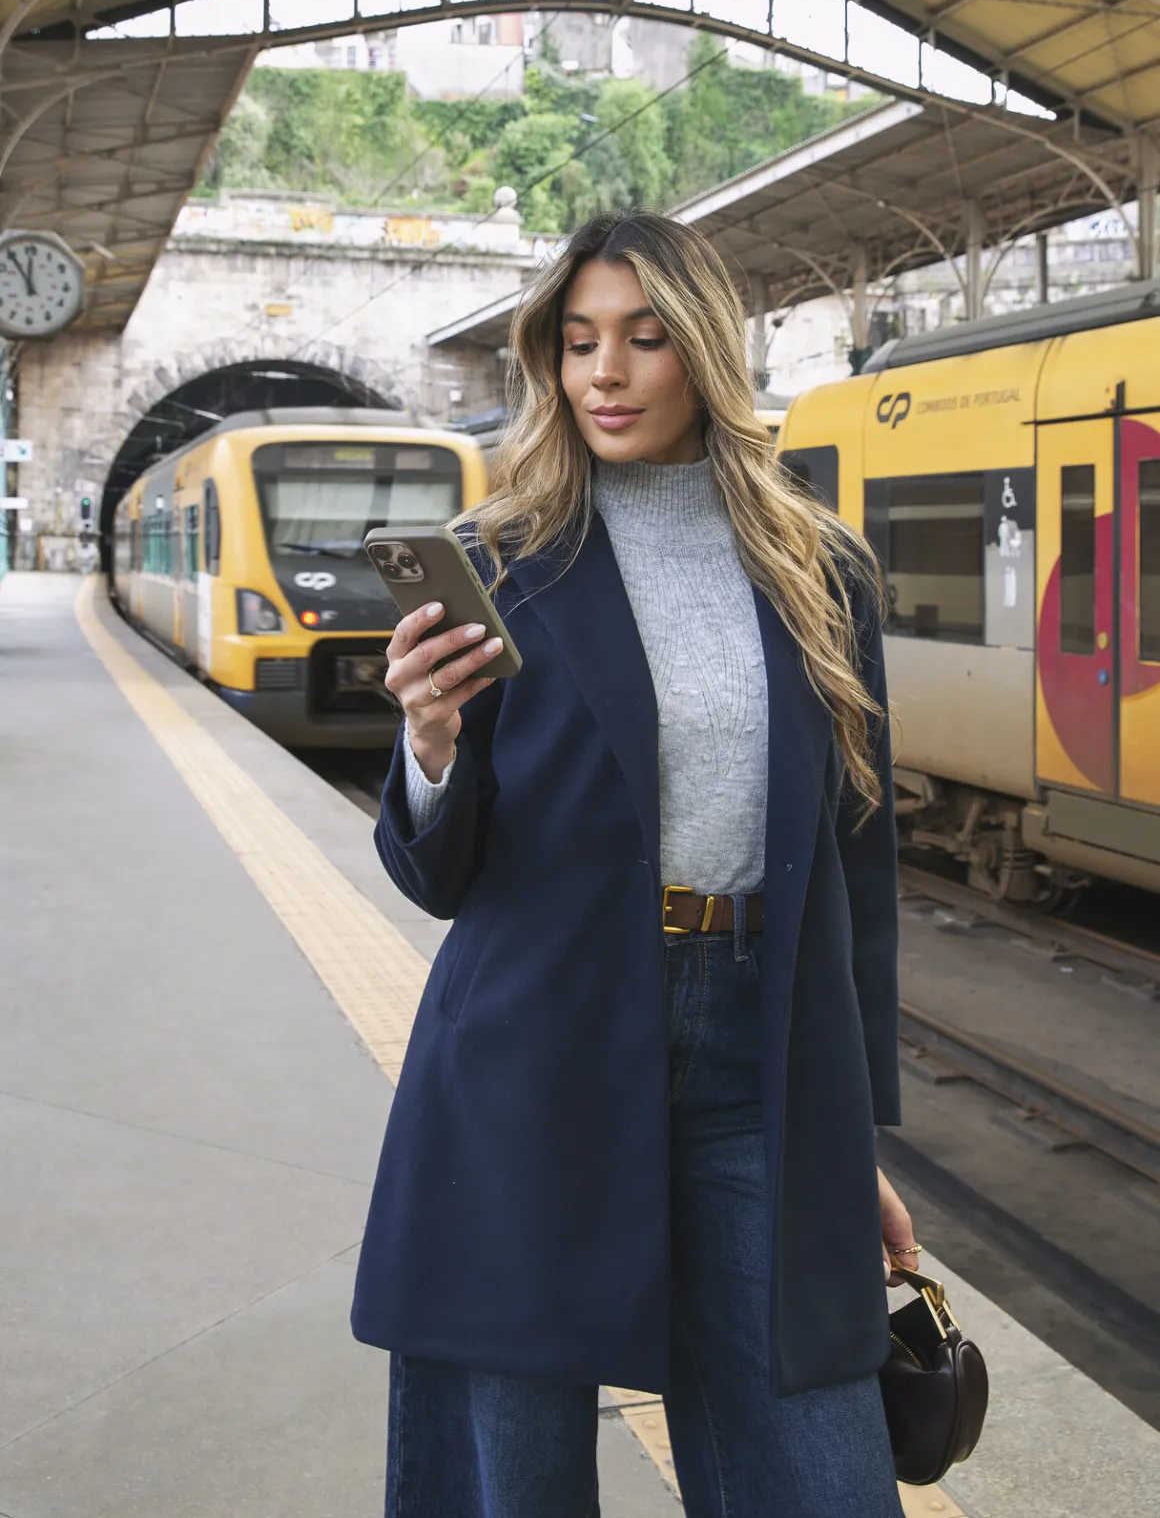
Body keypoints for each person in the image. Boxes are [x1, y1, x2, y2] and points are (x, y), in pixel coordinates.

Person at [352, 210, 919, 1518]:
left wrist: (855, 1140)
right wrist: (429, 738)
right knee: (516, 1479)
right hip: (533, 1053)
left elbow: (857, 870)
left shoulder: (818, 568)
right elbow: (440, 875)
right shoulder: (501, 558)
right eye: (580, 340)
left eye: (645, 338)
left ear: (704, 351)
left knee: (824, 1479)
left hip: (753, 1059)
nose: (606, 372)